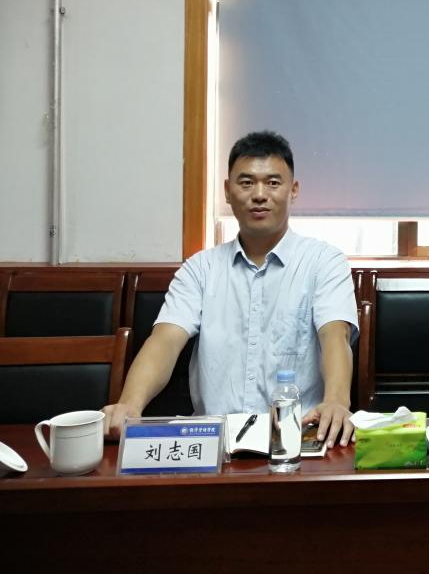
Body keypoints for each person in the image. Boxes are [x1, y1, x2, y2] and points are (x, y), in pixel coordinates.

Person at [102, 131, 359, 447]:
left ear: (293, 191)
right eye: (246, 182)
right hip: (212, 442)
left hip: (299, 438)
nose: (259, 195)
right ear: (227, 191)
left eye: (273, 183)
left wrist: (336, 402)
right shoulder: (201, 268)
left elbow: (335, 336)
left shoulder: (324, 262)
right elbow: (165, 340)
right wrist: (130, 404)